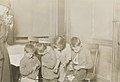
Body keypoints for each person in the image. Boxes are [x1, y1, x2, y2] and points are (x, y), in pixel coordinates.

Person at [0, 5, 13, 82]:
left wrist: (10, 27)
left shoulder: (4, 23)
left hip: (3, 50)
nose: (7, 14)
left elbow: (10, 41)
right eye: (6, 12)